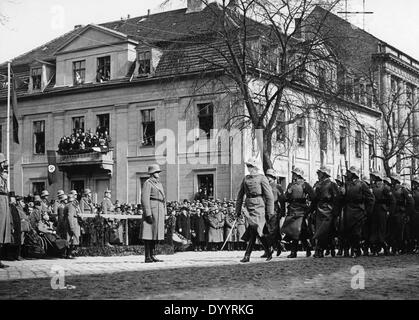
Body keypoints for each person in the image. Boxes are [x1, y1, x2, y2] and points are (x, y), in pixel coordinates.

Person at [235, 158, 274, 263]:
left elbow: (269, 196)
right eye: (248, 166)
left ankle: (247, 255)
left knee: (255, 229)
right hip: (249, 206)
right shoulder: (245, 179)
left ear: (256, 167)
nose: (249, 168)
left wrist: (270, 212)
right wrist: (237, 210)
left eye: (251, 166)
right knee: (255, 231)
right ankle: (268, 250)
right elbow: (240, 195)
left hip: (259, 206)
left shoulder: (262, 178)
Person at [342, 166, 375, 258]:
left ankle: (356, 249)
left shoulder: (362, 184)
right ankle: (353, 248)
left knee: (356, 233)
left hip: (358, 211)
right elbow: (342, 200)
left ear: (353, 174)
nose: (347, 174)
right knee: (349, 232)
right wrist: (342, 193)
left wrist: (367, 211)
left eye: (349, 172)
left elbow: (371, 199)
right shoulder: (346, 184)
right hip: (348, 211)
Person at [282, 167, 315, 258]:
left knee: (296, 230)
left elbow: (313, 197)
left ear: (298, 175)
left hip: (301, 210)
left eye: (294, 174)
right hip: (292, 209)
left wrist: (309, 209)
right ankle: (307, 248)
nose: (293, 175)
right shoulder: (290, 185)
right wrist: (288, 193)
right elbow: (285, 199)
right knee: (301, 231)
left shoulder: (305, 185)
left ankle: (294, 252)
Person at [311, 166, 340, 258]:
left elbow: (337, 198)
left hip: (328, 209)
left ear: (324, 174)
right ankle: (326, 248)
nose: (318, 174)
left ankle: (320, 249)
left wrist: (335, 211)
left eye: (319, 173)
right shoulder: (318, 184)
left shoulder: (331, 184)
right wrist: (311, 210)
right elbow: (315, 199)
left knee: (324, 230)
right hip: (319, 209)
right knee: (322, 230)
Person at [141, 164, 166, 263]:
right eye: (156, 172)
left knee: (155, 235)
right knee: (148, 235)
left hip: (159, 210)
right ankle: (147, 256)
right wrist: (148, 213)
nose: (158, 174)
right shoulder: (148, 183)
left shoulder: (158, 183)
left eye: (158, 172)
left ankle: (152, 255)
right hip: (152, 210)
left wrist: (164, 212)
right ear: (152, 173)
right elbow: (144, 199)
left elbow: (163, 199)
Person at [369, 172, 395, 256]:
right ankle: (375, 249)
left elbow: (392, 201)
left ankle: (385, 247)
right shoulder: (371, 187)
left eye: (373, 177)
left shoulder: (384, 188)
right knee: (374, 229)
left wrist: (389, 211)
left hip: (382, 210)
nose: (372, 178)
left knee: (381, 230)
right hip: (374, 210)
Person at [389, 174, 414, 255]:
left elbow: (411, 202)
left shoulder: (403, 190)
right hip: (393, 213)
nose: (391, 180)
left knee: (400, 232)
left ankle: (401, 248)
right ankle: (394, 248)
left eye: (393, 179)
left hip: (401, 213)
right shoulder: (391, 189)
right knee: (393, 231)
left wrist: (407, 213)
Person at [263, 169, 286, 258]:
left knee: (272, 230)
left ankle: (270, 249)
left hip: (274, 209)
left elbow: (282, 200)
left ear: (273, 177)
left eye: (269, 176)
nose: (267, 178)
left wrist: (283, 211)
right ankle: (278, 245)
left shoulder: (277, 187)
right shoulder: (264, 186)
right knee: (266, 230)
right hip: (265, 209)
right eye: (266, 176)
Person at [0, 153, 11, 268]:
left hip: (3, 202)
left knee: (2, 232)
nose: (5, 165)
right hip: (0, 202)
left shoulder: (3, 177)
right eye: (3, 163)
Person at [64, 192, 81, 259]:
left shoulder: (67, 205)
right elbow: (70, 216)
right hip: (72, 223)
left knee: (70, 239)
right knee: (72, 239)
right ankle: (69, 254)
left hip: (69, 223)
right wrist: (72, 227)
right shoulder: (71, 206)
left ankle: (68, 253)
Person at [411, 177, 419, 253]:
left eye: (415, 183)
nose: (414, 184)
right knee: (414, 231)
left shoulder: (415, 193)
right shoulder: (413, 192)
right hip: (414, 213)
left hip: (417, 212)